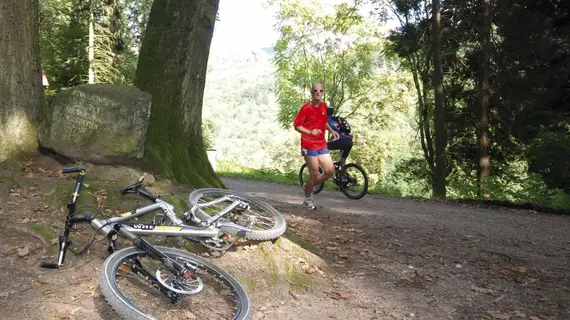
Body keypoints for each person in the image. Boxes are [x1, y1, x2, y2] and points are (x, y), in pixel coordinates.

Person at [293, 83, 339, 210]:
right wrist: (310, 132)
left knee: (330, 171)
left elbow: (323, 122)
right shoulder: (306, 108)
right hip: (308, 144)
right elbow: (297, 125)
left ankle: (308, 186)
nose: (318, 93)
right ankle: (307, 199)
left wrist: (332, 131)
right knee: (314, 173)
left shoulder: (324, 106)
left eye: (320, 91)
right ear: (311, 92)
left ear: (323, 92)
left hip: (321, 144)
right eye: (315, 91)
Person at [326, 104, 353, 169]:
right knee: (342, 161)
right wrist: (330, 142)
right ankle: (345, 178)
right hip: (349, 140)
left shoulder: (326, 121)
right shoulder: (337, 120)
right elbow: (336, 134)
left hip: (341, 140)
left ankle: (330, 166)